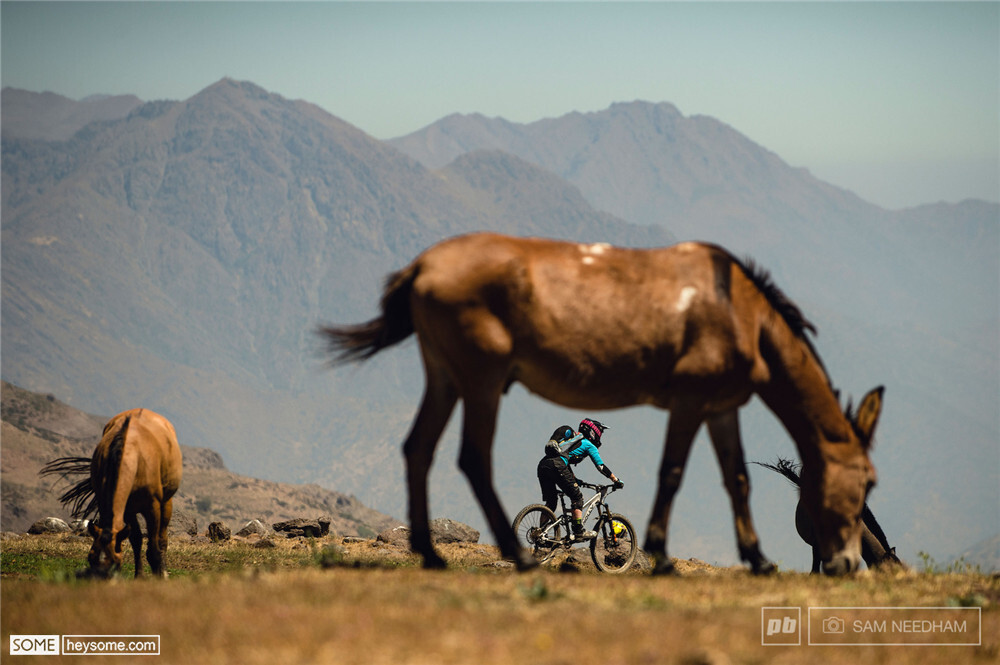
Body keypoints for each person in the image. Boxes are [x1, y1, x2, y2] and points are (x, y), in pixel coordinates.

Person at [536, 418, 624, 540]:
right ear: (594, 432)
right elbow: (600, 466)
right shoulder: (589, 445)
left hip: (543, 465)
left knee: (551, 503)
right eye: (600, 433)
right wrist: (615, 480)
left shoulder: (571, 441)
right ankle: (578, 531)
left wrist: (575, 480)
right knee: (577, 498)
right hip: (558, 465)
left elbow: (564, 461)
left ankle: (540, 534)